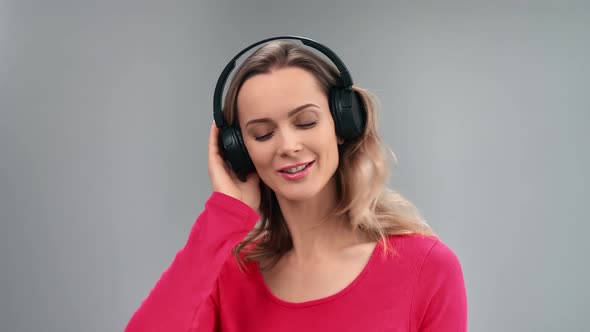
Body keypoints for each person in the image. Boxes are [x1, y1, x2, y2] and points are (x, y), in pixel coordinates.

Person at [125, 36, 467, 332]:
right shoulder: (228, 277)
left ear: (342, 123)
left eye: (305, 122)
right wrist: (225, 214)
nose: (287, 145)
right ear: (239, 150)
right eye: (263, 134)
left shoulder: (426, 267)